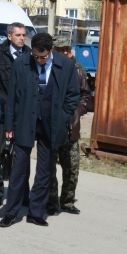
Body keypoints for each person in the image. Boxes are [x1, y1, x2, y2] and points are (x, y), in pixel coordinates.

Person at [0, 32, 79, 228]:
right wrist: (9, 125)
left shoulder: (66, 65)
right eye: (35, 56)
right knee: (18, 169)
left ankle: (36, 212)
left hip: (51, 124)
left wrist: (63, 117)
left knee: (45, 170)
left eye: (43, 57)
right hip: (25, 121)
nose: (39, 60)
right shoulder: (21, 63)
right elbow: (12, 98)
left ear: (51, 50)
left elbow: (72, 95)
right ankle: (11, 212)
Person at [48, 39, 90, 216]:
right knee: (49, 167)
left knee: (72, 168)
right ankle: (50, 201)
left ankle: (67, 201)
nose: (64, 53)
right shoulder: (48, 67)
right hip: (51, 125)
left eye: (67, 50)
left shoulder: (77, 69)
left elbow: (85, 95)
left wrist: (76, 111)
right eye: (60, 50)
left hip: (71, 126)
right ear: (53, 50)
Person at [0, 22, 27, 209]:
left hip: (24, 115)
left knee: (21, 155)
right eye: (18, 35)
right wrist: (8, 104)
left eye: (23, 35)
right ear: (9, 37)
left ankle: (22, 193)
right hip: (3, 114)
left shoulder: (29, 56)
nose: (22, 38)